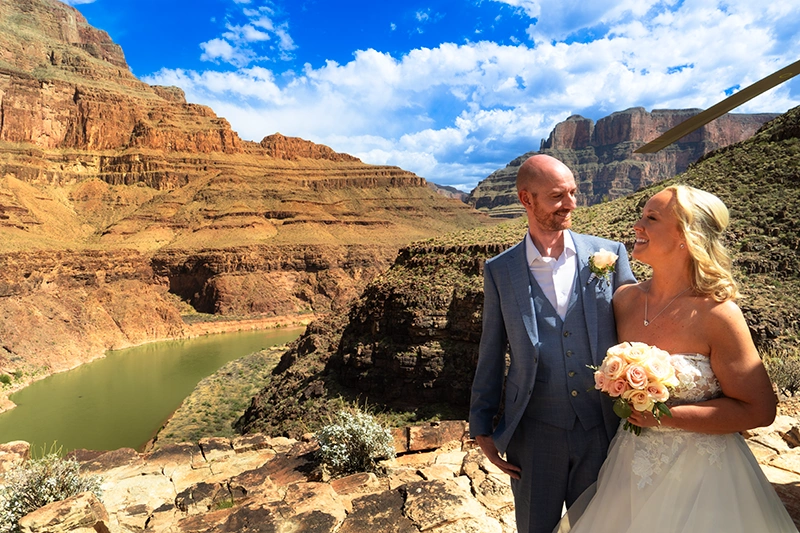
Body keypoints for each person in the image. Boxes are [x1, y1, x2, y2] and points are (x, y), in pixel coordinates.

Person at [555, 185, 797, 532]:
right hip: (629, 469)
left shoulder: (718, 314)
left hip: (703, 480)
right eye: (641, 215)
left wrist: (663, 416)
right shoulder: (624, 301)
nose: (637, 226)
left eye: (651, 218)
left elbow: (760, 410)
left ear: (686, 236)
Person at [469, 154, 637, 533]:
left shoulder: (609, 255)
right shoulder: (500, 270)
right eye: (558, 196)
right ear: (526, 199)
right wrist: (481, 426)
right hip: (533, 434)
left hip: (602, 428)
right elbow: (491, 349)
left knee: (600, 527)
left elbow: (637, 333)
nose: (571, 204)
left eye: (573, 193)